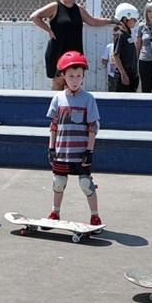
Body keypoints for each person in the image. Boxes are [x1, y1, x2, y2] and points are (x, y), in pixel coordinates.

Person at [45, 50, 102, 226]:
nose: (75, 80)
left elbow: (93, 127)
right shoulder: (58, 99)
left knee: (85, 183)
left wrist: (89, 151)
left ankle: (95, 216)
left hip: (81, 153)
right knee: (58, 182)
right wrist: (51, 148)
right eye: (71, 76)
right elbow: (54, 125)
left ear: (83, 76)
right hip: (62, 152)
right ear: (63, 76)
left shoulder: (88, 99)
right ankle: (55, 212)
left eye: (79, 76)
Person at [30, 0, 113, 91]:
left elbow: (92, 21)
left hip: (74, 51)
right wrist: (49, 30)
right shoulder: (55, 6)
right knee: (58, 83)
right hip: (57, 50)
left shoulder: (79, 9)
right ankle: (56, 102)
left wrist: (111, 20)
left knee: (73, 83)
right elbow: (34, 16)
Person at [110, 2, 140, 93]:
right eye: (133, 19)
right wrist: (123, 73)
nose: (135, 21)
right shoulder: (120, 35)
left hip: (131, 73)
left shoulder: (127, 34)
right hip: (125, 74)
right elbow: (116, 55)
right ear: (125, 19)